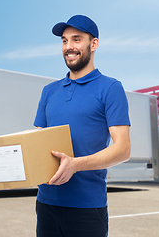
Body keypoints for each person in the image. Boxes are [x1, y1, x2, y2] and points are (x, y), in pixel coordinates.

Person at [34, 15, 131, 237]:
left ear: (93, 44)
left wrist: (75, 165)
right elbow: (38, 142)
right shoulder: (49, 91)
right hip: (46, 204)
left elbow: (123, 149)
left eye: (77, 40)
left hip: (86, 207)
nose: (69, 47)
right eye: (64, 40)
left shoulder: (110, 88)